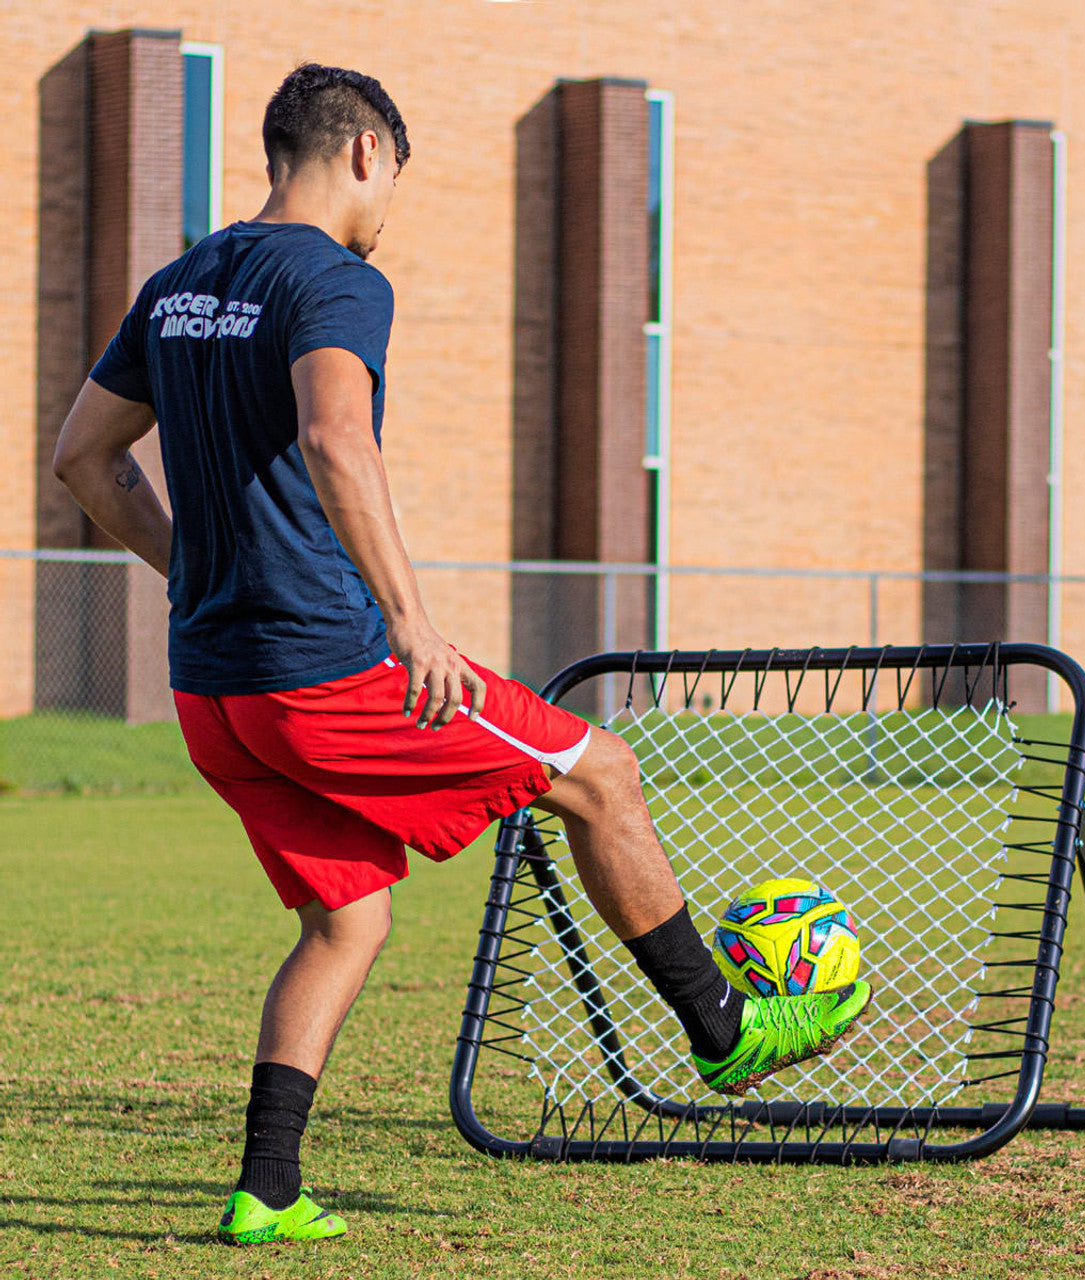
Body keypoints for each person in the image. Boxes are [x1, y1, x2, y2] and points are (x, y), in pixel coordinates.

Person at [53, 63, 873, 1247]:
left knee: (347, 921)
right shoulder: (334, 276)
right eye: (396, 183)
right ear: (367, 153)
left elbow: (85, 457)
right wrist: (408, 618)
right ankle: (723, 1027)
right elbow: (337, 436)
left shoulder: (178, 283)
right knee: (603, 772)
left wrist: (189, 572)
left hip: (213, 691)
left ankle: (266, 1189)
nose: (388, 212)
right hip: (327, 667)